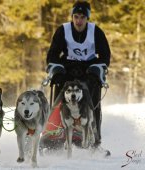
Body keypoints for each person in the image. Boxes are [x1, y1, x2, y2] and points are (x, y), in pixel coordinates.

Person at [46, 1, 111, 148]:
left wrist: (96, 69)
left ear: (87, 18)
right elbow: (53, 54)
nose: (79, 21)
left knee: (91, 95)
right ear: (72, 16)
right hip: (68, 68)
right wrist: (56, 69)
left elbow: (105, 55)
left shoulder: (96, 32)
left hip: (89, 69)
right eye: (76, 16)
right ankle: (53, 132)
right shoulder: (63, 30)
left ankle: (94, 138)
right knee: (60, 92)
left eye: (82, 17)